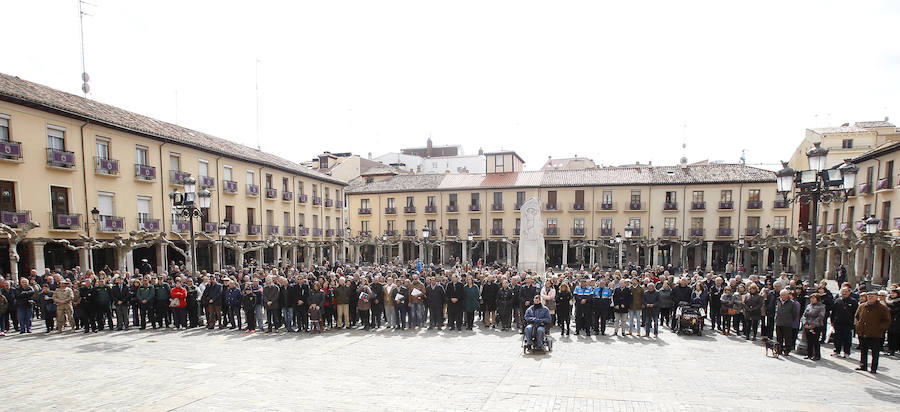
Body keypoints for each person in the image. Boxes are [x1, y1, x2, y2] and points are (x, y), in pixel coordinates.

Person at [854, 291, 891, 373]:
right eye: (869, 296)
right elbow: (856, 317)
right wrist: (858, 325)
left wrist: (879, 328)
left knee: (875, 352)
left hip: (876, 334)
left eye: (872, 296)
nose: (870, 297)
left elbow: (887, 321)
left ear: (876, 297)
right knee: (863, 350)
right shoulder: (862, 306)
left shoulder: (882, 308)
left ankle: (873, 368)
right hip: (863, 332)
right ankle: (863, 365)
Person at [830, 286, 858, 358]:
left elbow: (856, 314)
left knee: (847, 339)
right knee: (837, 338)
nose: (844, 293)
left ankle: (847, 352)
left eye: (846, 292)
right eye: (843, 291)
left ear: (849, 292)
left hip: (848, 324)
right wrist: (832, 321)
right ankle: (837, 351)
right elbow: (833, 312)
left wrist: (854, 323)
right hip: (838, 323)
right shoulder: (837, 301)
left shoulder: (853, 302)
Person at [801, 293, 825, 360]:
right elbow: (804, 315)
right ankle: (809, 354)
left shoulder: (821, 307)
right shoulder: (809, 306)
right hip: (807, 325)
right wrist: (805, 323)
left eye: (814, 298)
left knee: (815, 341)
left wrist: (812, 325)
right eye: (811, 298)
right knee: (809, 341)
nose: (812, 299)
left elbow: (820, 317)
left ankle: (816, 355)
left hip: (816, 326)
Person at [774, 289, 798, 356]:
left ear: (787, 295)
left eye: (784, 295)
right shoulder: (778, 301)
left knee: (787, 338)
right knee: (779, 338)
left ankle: (787, 350)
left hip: (787, 323)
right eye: (781, 295)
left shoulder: (792, 303)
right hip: (779, 322)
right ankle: (779, 350)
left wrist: (789, 320)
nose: (783, 297)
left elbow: (794, 314)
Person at [887, 288, 899, 356]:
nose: (892, 294)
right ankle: (890, 348)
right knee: (890, 335)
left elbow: (895, 310)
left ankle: (893, 349)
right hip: (889, 320)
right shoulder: (889, 301)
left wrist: (888, 309)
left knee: (894, 335)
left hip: (896, 321)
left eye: (893, 293)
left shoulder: (898, 302)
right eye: (891, 293)